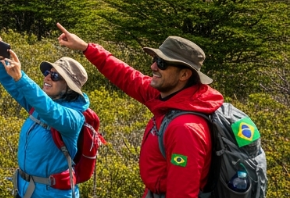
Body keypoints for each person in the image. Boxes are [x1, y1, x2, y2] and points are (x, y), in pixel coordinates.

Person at [56, 23, 224, 198]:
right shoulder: (168, 96)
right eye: (155, 60)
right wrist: (86, 47)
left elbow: (182, 193)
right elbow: (127, 76)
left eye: (162, 63)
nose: (153, 67)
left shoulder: (185, 129)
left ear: (184, 75)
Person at [0, 35, 89, 198]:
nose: (47, 77)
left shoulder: (73, 118)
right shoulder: (39, 106)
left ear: (69, 87)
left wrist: (21, 78)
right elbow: (13, 85)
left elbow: (51, 111)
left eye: (55, 76)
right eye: (47, 72)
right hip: (25, 190)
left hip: (51, 194)